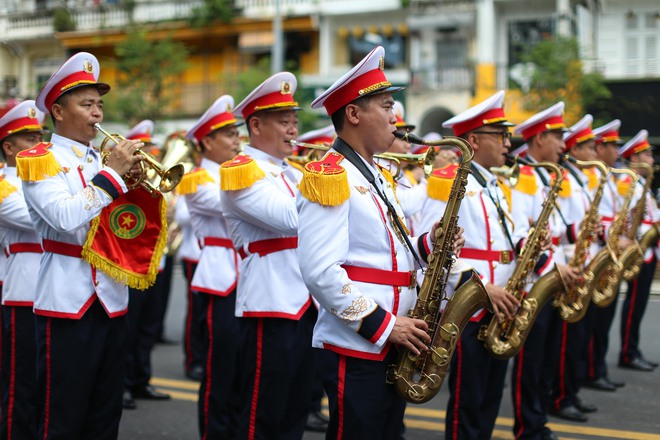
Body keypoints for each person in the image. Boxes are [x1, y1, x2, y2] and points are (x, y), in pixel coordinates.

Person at [298, 45, 467, 439]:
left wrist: (430, 244)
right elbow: (319, 271)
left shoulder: (377, 175)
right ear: (354, 114)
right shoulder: (330, 175)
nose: (396, 117)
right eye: (387, 105)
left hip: (394, 340)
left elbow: (383, 251)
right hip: (362, 344)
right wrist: (385, 325)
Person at [19, 52, 143, 439]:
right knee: (62, 416)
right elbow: (64, 216)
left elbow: (128, 228)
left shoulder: (102, 160)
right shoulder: (39, 160)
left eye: (99, 105)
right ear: (57, 110)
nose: (97, 115)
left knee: (105, 416)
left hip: (112, 298)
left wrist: (136, 188)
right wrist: (112, 177)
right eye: (86, 105)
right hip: (67, 301)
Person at [419, 90, 521, 440]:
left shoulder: (495, 183)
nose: (508, 142)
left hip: (502, 302)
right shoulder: (448, 178)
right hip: (471, 306)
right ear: (474, 140)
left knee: (491, 396)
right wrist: (480, 288)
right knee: (469, 400)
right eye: (500, 135)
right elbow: (437, 249)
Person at [221, 72, 316, 439]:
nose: (293, 129)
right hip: (270, 302)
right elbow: (294, 219)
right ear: (256, 124)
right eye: (284, 121)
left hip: (307, 301)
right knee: (263, 413)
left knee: (295, 410)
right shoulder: (241, 171)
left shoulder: (294, 172)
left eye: (294, 121)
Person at [181, 95, 244, 438]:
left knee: (245, 373)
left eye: (237, 133)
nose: (238, 141)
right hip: (220, 282)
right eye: (229, 135)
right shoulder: (197, 181)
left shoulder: (242, 172)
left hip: (249, 279)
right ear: (206, 142)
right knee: (220, 373)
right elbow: (235, 202)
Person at [0, 100, 45, 439]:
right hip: (23, 290)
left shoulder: (53, 180)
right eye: (29, 137)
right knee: (21, 385)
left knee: (52, 385)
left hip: (59, 291)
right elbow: (43, 219)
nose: (39, 143)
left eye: (41, 135)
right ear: (9, 147)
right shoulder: (4, 185)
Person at [122, 120, 171, 410]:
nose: (150, 155)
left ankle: (141, 379)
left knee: (148, 327)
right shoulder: (129, 183)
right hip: (132, 264)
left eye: (151, 149)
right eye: (144, 149)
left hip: (158, 262)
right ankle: (124, 384)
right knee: (130, 327)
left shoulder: (157, 182)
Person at [583, 120, 630, 392]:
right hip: (594, 255)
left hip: (606, 253)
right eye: (611, 145)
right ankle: (587, 374)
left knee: (601, 323)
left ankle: (595, 369)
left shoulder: (608, 177)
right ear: (600, 149)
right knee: (590, 325)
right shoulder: (593, 177)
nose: (617, 150)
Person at [617, 129, 659, 371]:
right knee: (633, 304)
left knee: (639, 304)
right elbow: (626, 219)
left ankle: (633, 349)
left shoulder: (642, 183)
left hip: (648, 250)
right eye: (647, 154)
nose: (652, 159)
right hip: (638, 251)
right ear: (634, 158)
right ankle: (628, 352)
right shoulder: (627, 183)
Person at [174, 194, 204, 380]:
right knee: (196, 312)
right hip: (194, 255)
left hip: (219, 258)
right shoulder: (195, 179)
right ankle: (194, 361)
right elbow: (182, 216)